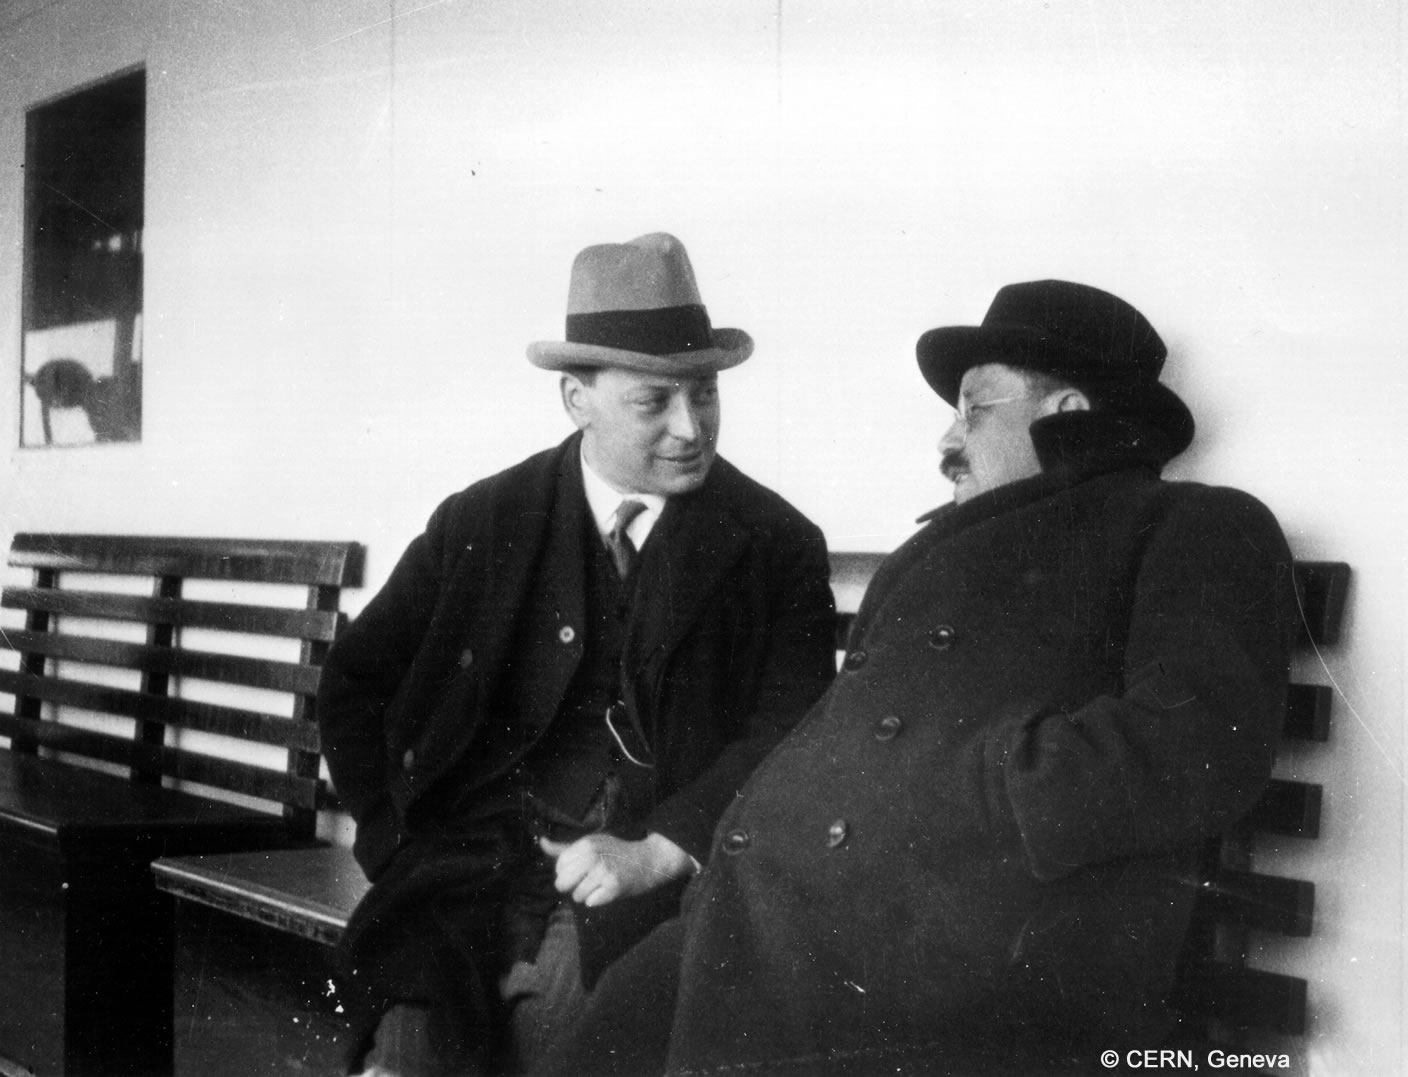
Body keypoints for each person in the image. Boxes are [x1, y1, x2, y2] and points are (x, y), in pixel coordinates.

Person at [539, 279, 1300, 1076]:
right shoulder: (930, 554)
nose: (947, 439)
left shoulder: (1192, 523)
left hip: (949, 964)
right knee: (596, 1039)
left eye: (974, 409)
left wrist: (963, 784)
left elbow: (1198, 739)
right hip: (768, 917)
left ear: (1068, 414)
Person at [316, 232, 837, 1076]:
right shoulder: (482, 521)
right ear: (575, 397)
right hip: (462, 873)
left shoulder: (776, 545)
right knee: (407, 1051)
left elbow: (791, 734)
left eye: (705, 395)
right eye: (654, 401)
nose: (690, 427)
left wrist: (660, 848)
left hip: (642, 886)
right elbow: (354, 683)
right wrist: (393, 842)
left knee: (563, 1035)